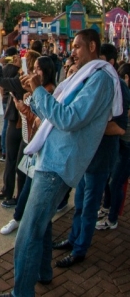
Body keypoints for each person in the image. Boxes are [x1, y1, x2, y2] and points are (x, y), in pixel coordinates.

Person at [0, 29, 122, 297]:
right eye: (72, 46)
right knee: (39, 228)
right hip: (50, 160)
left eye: (76, 46)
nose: (72, 52)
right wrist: (33, 95)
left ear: (92, 46)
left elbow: (68, 119)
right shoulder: (84, 78)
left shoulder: (99, 80)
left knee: (27, 235)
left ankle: (21, 293)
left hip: (57, 166)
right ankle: (42, 274)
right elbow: (55, 118)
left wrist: (40, 91)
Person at [52, 42, 129, 268]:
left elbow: (120, 127)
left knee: (89, 206)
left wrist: (89, 125)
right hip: (86, 155)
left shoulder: (117, 87)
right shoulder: (91, 80)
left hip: (101, 156)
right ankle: (74, 238)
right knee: (80, 202)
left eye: (79, 47)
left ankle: (80, 249)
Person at [0, 56, 56, 235]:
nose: (34, 72)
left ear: (46, 72)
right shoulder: (36, 88)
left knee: (31, 182)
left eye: (38, 69)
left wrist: (22, 107)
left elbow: (41, 119)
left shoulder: (48, 91)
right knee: (22, 172)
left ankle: (20, 218)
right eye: (34, 68)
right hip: (28, 138)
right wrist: (23, 101)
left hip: (38, 144)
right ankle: (19, 216)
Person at [97, 62, 130, 230]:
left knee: (115, 182)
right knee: (110, 180)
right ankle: (106, 208)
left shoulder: (124, 93)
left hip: (127, 147)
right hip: (120, 144)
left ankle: (112, 219)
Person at [0, 51, 28, 206]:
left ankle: (11, 192)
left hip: (17, 120)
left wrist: (0, 63)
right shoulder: (30, 79)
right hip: (25, 122)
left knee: (14, 158)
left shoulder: (22, 80)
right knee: (19, 160)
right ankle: (18, 195)